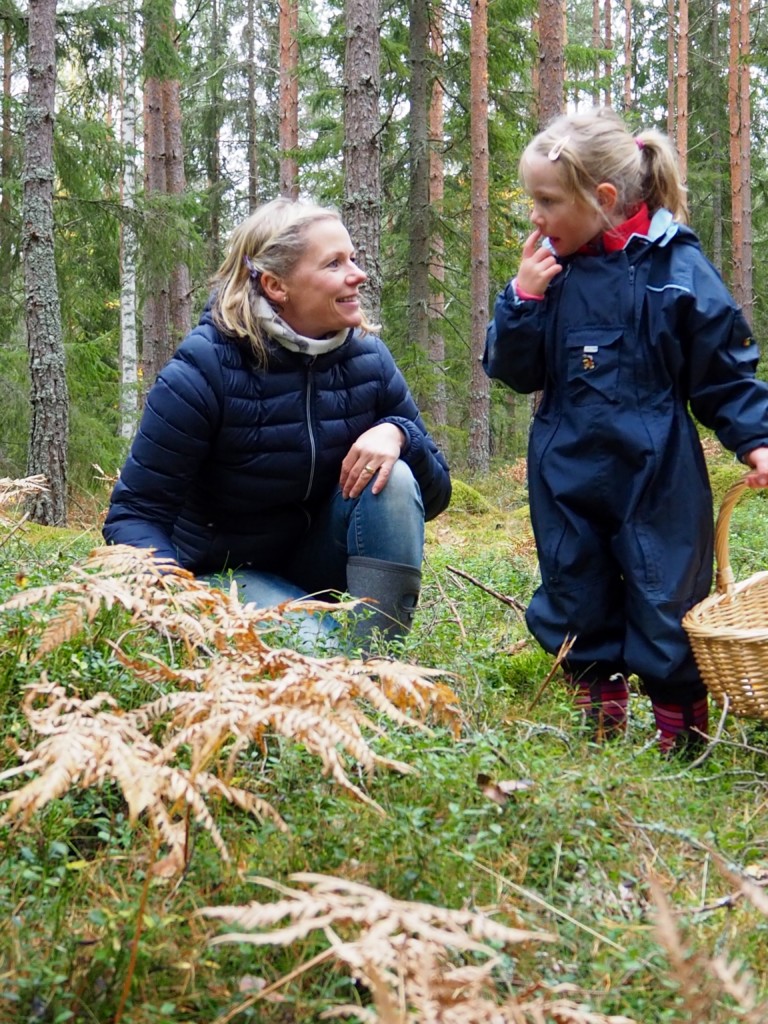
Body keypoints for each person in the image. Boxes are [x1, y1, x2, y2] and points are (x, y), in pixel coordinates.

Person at [483, 106, 768, 753]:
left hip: (658, 470)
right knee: (574, 591)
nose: (535, 216)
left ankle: (682, 740)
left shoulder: (677, 270)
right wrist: (521, 301)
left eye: (547, 200)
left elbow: (722, 372)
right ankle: (600, 729)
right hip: (565, 467)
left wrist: (755, 438)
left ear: (603, 198)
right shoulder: (548, 273)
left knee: (667, 598)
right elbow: (513, 370)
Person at [104, 198, 451, 650]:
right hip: (227, 576)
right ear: (276, 285)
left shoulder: (369, 360)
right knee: (327, 657)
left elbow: (437, 494)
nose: (358, 274)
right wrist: (176, 603)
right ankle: (357, 672)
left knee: (396, 476)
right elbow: (135, 514)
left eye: (353, 258)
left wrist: (399, 434)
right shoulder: (205, 368)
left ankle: (378, 656)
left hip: (317, 566)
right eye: (334, 264)